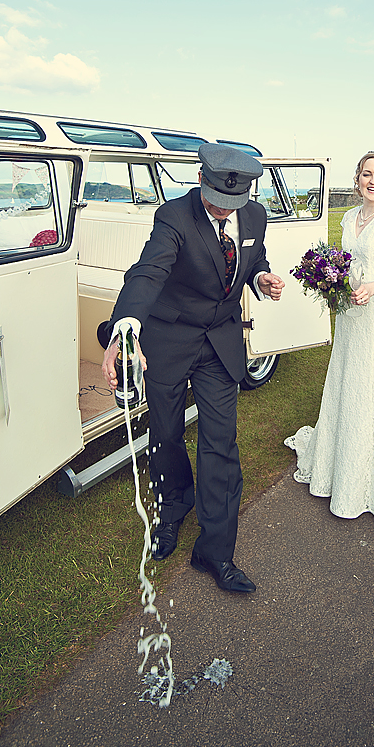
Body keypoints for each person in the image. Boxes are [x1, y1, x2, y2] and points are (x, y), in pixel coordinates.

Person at [101, 143, 284, 593]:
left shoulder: (256, 216)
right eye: (214, 202)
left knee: (220, 443)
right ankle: (172, 508)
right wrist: (126, 325)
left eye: (232, 205)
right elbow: (147, 273)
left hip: (219, 345)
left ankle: (216, 551)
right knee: (164, 434)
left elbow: (252, 258)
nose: (222, 211)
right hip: (169, 340)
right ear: (201, 180)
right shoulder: (174, 216)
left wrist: (260, 276)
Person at [285, 151, 374, 522]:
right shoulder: (349, 216)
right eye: (367, 174)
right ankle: (338, 467)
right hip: (350, 315)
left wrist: (369, 290)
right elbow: (345, 263)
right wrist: (330, 281)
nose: (373, 180)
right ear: (357, 178)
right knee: (348, 383)